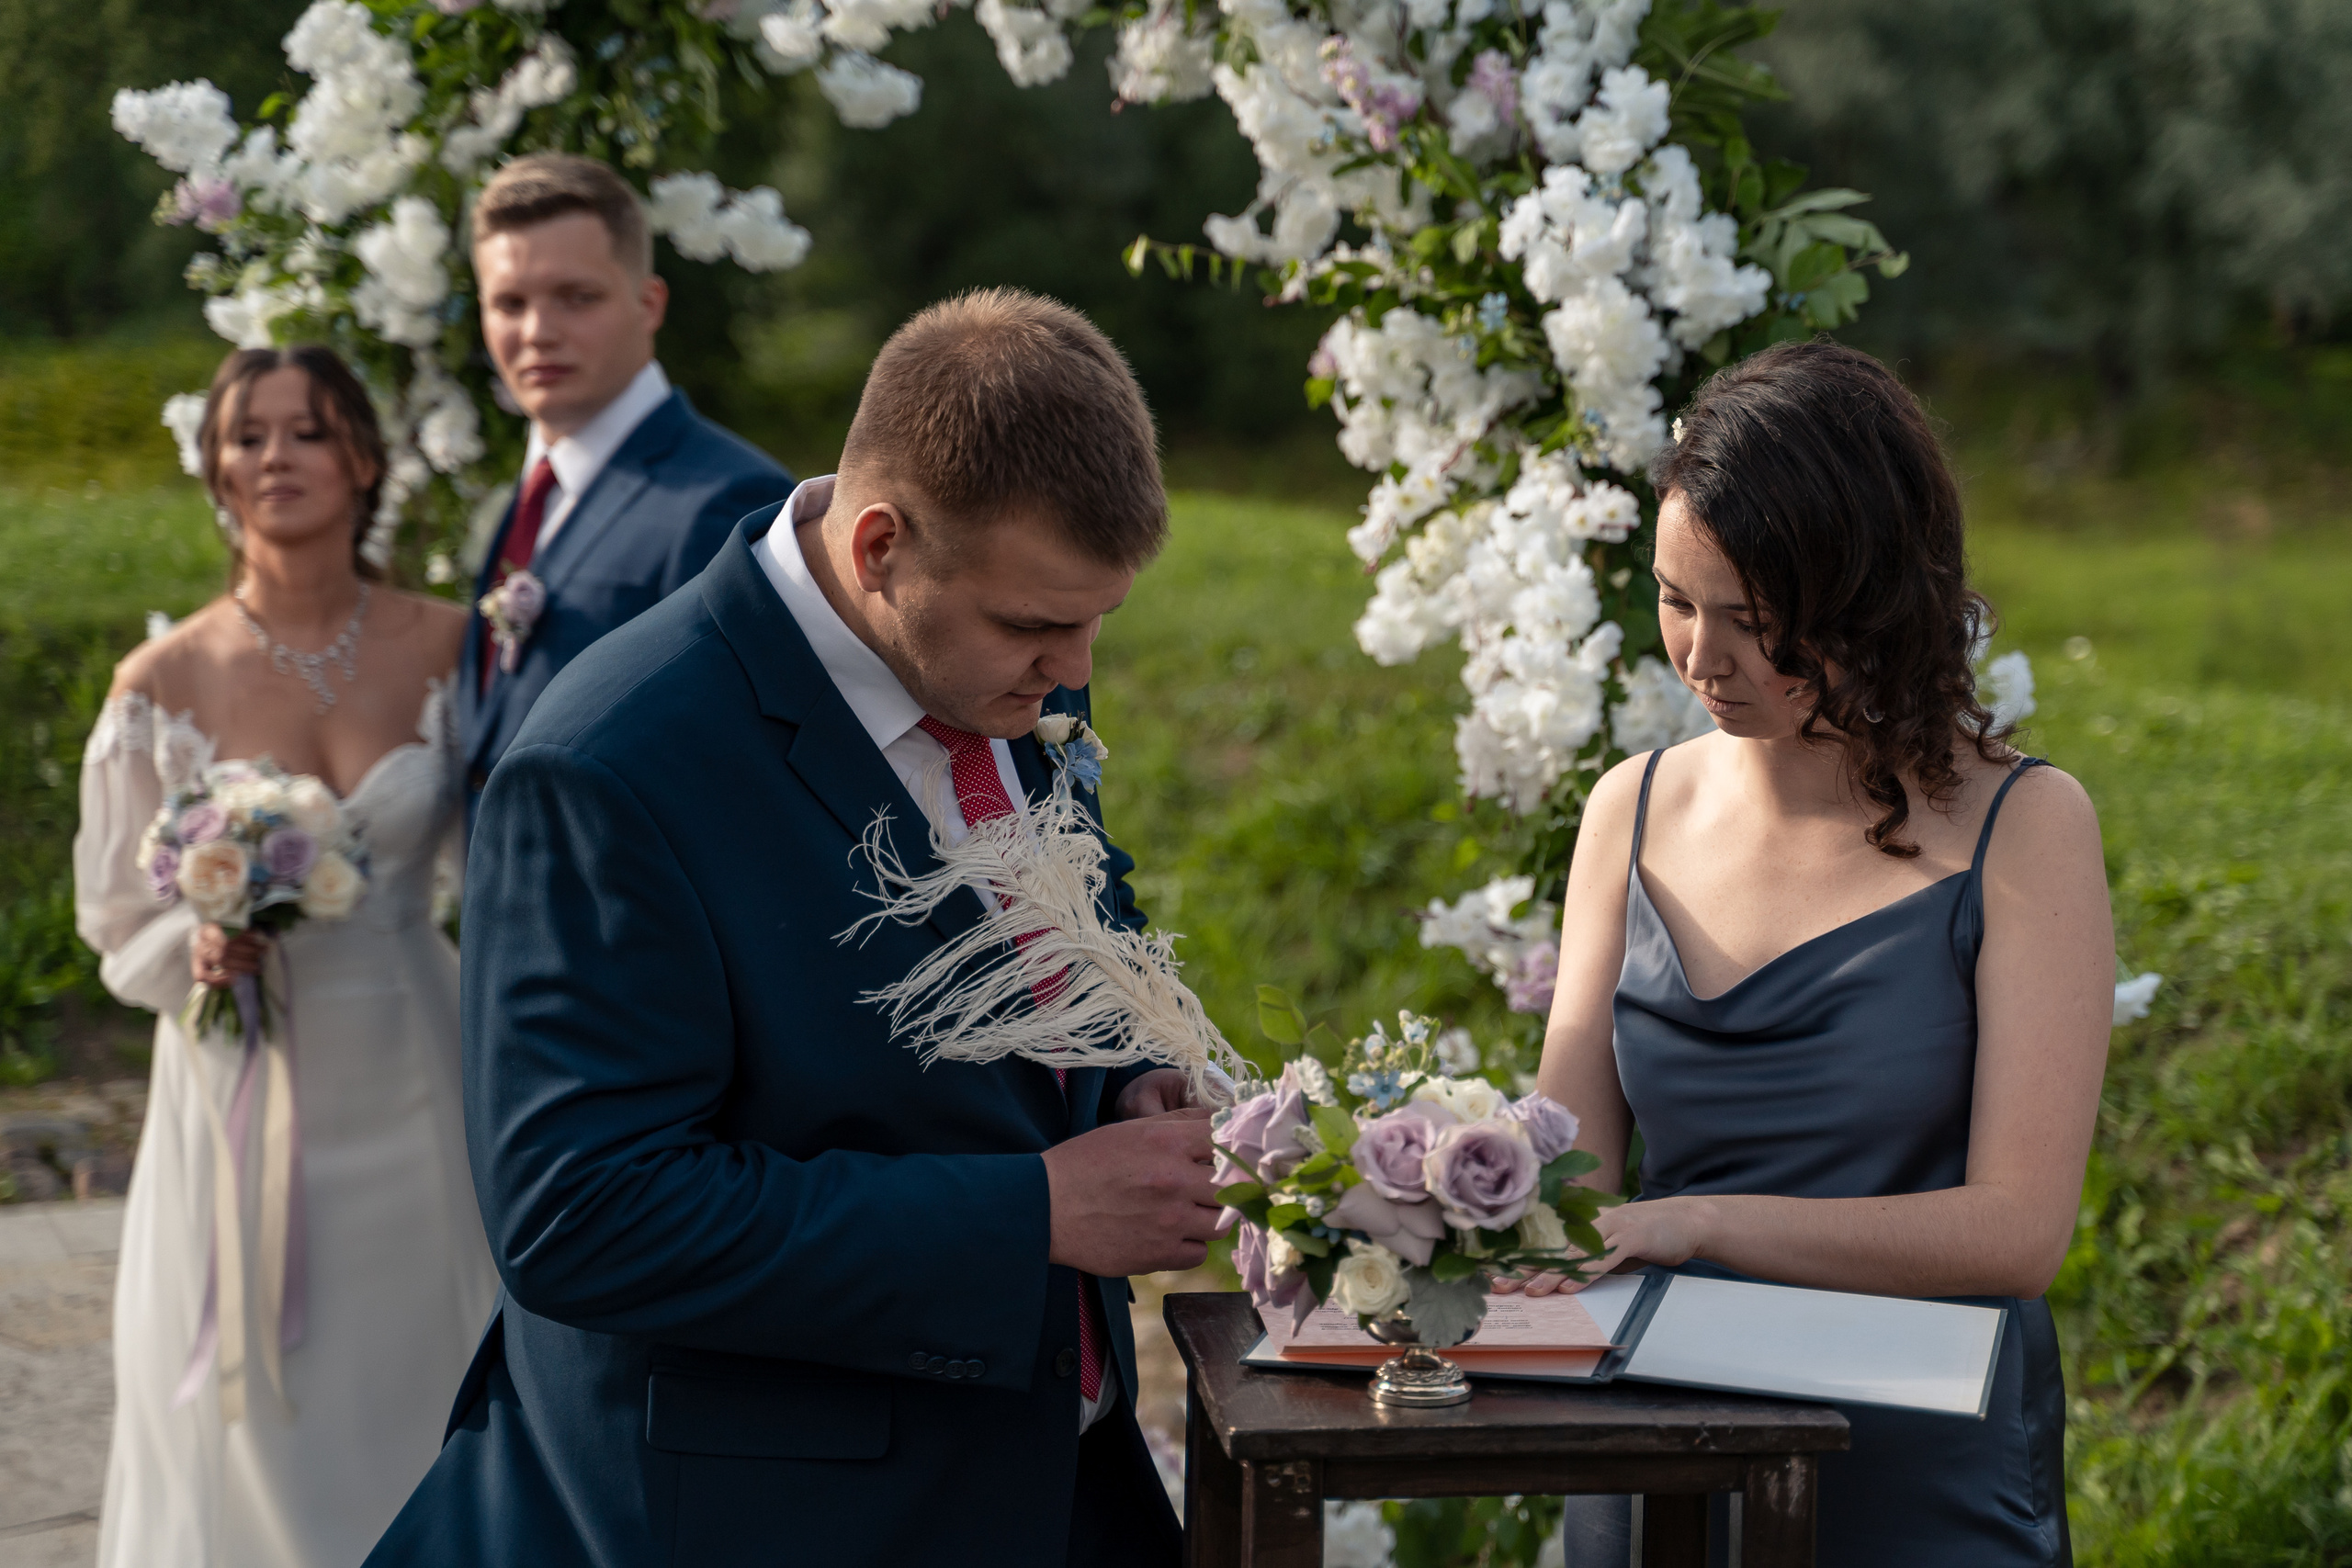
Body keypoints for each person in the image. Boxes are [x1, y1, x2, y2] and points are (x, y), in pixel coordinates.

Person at [365, 288, 1212, 1567]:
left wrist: (1120, 1078)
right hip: (777, 1514)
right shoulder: (611, 763)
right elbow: (580, 1213)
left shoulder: (983, 663)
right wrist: (1029, 1209)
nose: (1073, 666)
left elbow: (1055, 933)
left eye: (1097, 620)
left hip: (1039, 1479)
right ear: (878, 547)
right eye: (1036, 624)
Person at [1519, 340, 2112, 1565]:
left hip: (1908, 1454)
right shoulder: (1626, 810)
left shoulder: (2026, 826)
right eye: (1677, 598)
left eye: (1754, 621)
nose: (1700, 658)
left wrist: (1700, 1222)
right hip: (1653, 1445)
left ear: (1869, 599)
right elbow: (1561, 1178)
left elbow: (2019, 1230)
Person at [74, 344, 500, 1568]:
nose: (274, 457)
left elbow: (508, 870)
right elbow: (113, 921)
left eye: (305, 432)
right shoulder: (164, 681)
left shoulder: (453, 646)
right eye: (246, 437)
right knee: (265, 1398)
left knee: (432, 1365)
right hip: (243, 1093)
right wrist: (193, 942)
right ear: (217, 471)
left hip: (420, 1059)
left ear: (363, 458)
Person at [458, 152, 793, 816]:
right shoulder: (532, 496)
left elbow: (741, 781)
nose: (536, 332)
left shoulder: (730, 500)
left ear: (649, 304)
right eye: (509, 303)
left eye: (576, 298)